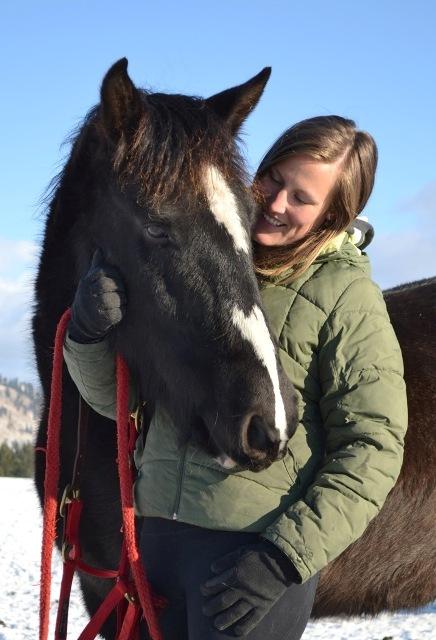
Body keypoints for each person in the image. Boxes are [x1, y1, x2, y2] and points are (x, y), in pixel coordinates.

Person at [63, 115, 408, 639]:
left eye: (302, 197)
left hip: (247, 561)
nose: (275, 203)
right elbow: (121, 405)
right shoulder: (195, 264)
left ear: (334, 215)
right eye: (273, 178)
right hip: (154, 548)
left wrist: (283, 558)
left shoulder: (344, 295)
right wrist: (88, 335)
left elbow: (374, 446)